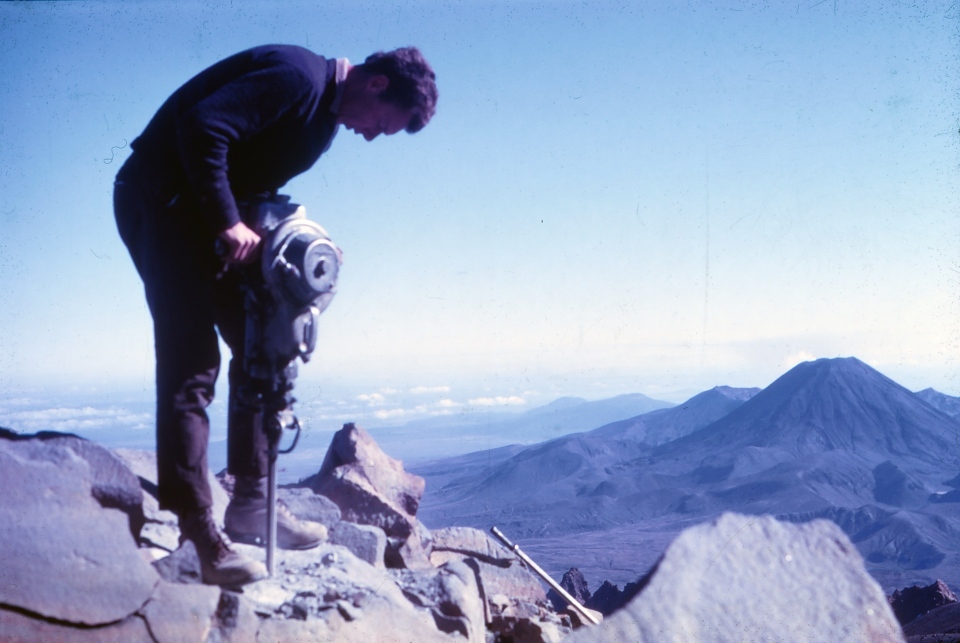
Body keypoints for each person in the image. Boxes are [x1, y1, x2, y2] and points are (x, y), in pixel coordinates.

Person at [113, 45, 438, 586]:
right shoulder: (297, 80)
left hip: (202, 218)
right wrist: (227, 221)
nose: (376, 136)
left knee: (262, 344)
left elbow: (250, 173)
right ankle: (197, 528)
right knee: (192, 360)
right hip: (160, 202)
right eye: (384, 124)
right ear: (377, 84)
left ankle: (250, 502)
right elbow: (202, 129)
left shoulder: (323, 116)